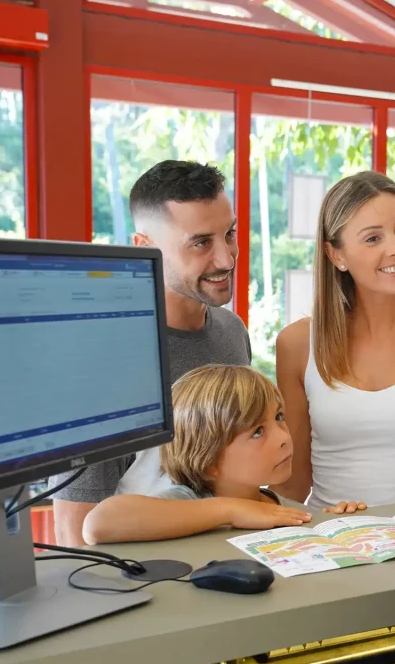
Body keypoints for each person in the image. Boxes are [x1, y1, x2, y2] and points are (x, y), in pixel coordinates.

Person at [51, 161, 251, 547]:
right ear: (145, 247)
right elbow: (74, 533)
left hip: (230, 566)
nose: (226, 259)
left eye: (229, 234)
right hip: (144, 576)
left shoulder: (231, 333)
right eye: (201, 242)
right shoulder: (101, 361)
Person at [271, 172, 395, 512]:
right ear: (335, 255)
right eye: (372, 238)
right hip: (333, 533)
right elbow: (291, 484)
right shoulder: (297, 345)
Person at [82, 365, 365, 545]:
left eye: (279, 417)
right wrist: (231, 510)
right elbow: (98, 523)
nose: (283, 437)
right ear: (208, 459)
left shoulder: (275, 505)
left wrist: (333, 525)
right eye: (257, 431)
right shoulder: (187, 501)